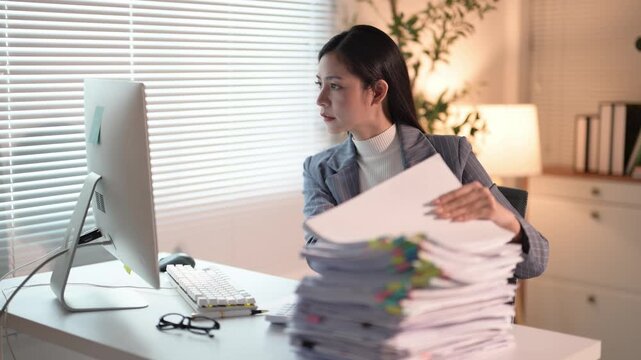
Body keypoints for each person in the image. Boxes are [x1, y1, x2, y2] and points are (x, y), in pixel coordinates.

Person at [302, 25, 548, 279]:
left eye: (335, 86)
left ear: (377, 92)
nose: (320, 99)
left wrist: (502, 218)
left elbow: (536, 261)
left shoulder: (451, 155)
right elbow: (318, 254)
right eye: (319, 84)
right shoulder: (319, 169)